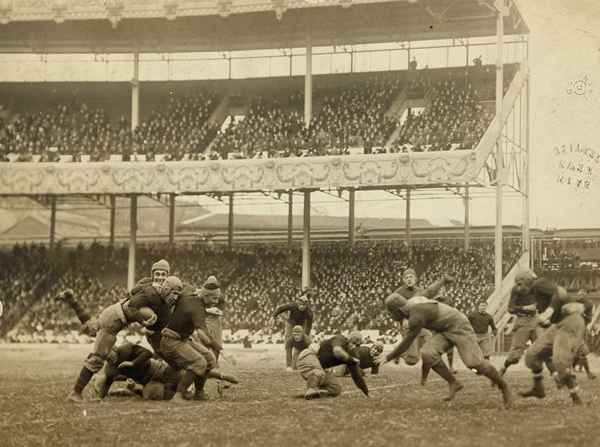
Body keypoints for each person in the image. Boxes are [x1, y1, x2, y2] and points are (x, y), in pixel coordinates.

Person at [381, 293, 513, 408]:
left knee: (474, 364)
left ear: (398, 310)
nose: (391, 316)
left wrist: (388, 357)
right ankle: (454, 383)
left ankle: (503, 386)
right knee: (427, 353)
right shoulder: (412, 305)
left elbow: (407, 342)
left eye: (391, 312)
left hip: (459, 327)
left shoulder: (416, 315)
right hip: (444, 329)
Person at [67, 275, 183, 403]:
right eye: (174, 293)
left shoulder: (159, 300)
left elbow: (159, 328)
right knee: (98, 357)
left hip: (116, 318)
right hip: (115, 318)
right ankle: (75, 393)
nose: (175, 297)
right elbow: (130, 306)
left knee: (94, 333)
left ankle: (72, 300)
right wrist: (142, 320)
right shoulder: (152, 293)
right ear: (166, 288)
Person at [159, 281, 238, 402]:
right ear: (205, 296)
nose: (216, 302)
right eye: (214, 298)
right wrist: (222, 351)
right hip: (171, 341)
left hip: (183, 339)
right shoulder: (197, 308)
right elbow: (203, 335)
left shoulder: (190, 295)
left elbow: (185, 288)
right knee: (199, 362)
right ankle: (179, 394)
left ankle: (199, 393)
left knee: (210, 359)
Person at [520, 286, 593, 405]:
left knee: (561, 361)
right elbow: (549, 320)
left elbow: (560, 300)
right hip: (557, 327)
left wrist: (545, 316)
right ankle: (538, 388)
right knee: (531, 356)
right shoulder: (539, 301)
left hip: (571, 327)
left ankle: (575, 395)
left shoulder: (557, 295)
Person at [499, 270, 556, 376]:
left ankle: (555, 373)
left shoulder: (537, 289)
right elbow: (510, 308)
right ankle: (504, 367)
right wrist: (525, 308)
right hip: (522, 321)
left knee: (543, 347)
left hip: (535, 320)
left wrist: (545, 315)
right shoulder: (516, 290)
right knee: (515, 354)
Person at [296, 332, 369, 400]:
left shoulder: (351, 354)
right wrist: (351, 359)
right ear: (349, 339)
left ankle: (317, 393)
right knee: (318, 372)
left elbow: (357, 376)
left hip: (318, 367)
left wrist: (366, 392)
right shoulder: (340, 339)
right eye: (354, 342)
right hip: (309, 357)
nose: (354, 346)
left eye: (357, 345)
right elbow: (337, 351)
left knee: (335, 388)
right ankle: (311, 389)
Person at [273, 288, 314, 371]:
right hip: (291, 323)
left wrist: (305, 335)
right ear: (298, 303)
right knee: (289, 341)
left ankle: (296, 361)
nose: (302, 307)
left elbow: (309, 326)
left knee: (301, 342)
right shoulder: (293, 305)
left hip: (301, 324)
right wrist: (274, 315)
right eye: (300, 305)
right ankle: (288, 364)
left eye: (304, 306)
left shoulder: (309, 313)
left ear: (306, 306)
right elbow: (281, 308)